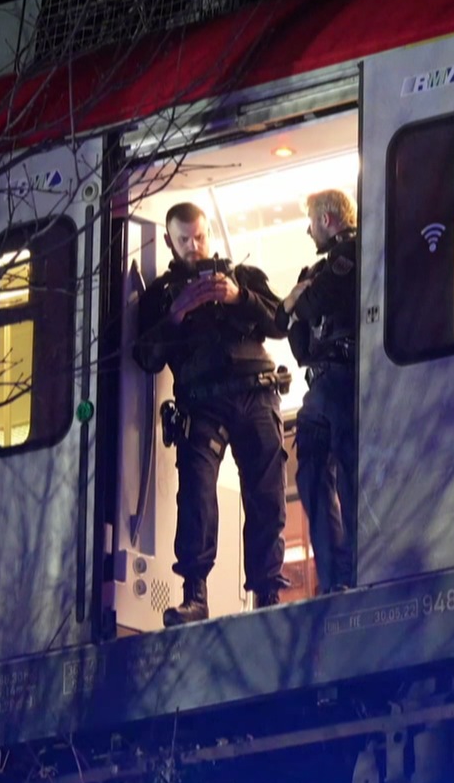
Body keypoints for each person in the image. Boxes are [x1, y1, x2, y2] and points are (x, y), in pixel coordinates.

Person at [133, 202, 290, 625]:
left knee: (267, 495)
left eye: (200, 237)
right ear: (170, 241)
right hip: (202, 403)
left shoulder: (242, 277)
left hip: (256, 392)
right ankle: (195, 595)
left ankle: (267, 592)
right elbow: (145, 357)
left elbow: (282, 322)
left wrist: (239, 297)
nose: (194, 247)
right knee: (197, 497)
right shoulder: (160, 296)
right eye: (184, 240)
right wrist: (177, 313)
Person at [279, 189, 359, 594]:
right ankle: (333, 578)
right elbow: (294, 332)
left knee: (350, 476)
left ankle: (356, 572)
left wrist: (300, 299)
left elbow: (309, 305)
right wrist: (299, 301)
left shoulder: (354, 252)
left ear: (327, 219)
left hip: (347, 379)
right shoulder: (318, 268)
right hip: (322, 384)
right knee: (310, 476)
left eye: (311, 222)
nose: (308, 231)